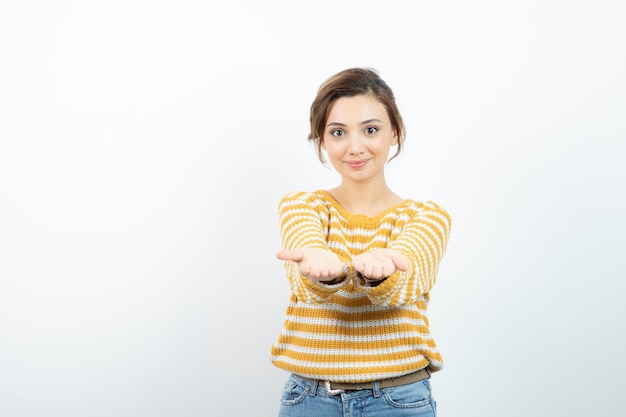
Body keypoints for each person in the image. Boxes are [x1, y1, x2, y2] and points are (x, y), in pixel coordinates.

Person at [271, 67, 452, 417]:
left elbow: (408, 277)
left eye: (370, 130)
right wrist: (322, 271)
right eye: (338, 132)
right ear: (322, 140)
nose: (355, 147)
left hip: (398, 400)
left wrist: (382, 273)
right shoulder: (301, 206)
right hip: (309, 400)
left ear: (394, 133)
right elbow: (304, 274)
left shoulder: (427, 217)